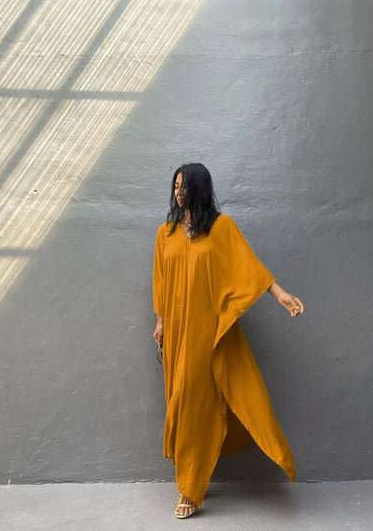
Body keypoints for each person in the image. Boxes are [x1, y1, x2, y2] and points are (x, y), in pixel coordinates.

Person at [152, 163, 304, 519]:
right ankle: (192, 474)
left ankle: (189, 488)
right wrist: (160, 321)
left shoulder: (221, 228)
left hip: (209, 333)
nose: (178, 192)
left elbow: (248, 265)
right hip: (176, 333)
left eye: (184, 186)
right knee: (184, 401)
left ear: (199, 189)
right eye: (174, 186)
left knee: (197, 401)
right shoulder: (166, 233)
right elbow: (162, 279)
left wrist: (280, 294)